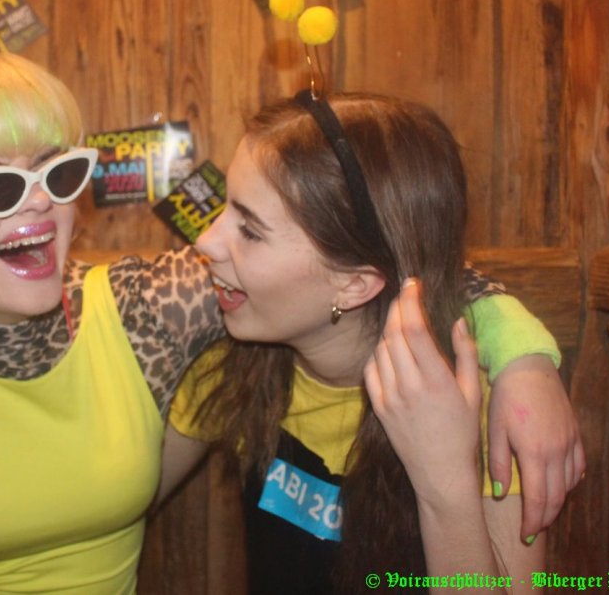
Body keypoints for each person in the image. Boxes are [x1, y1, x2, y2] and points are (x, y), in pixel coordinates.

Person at [0, 48, 580, 593]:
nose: (39, 200)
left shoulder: (148, 309)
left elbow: (410, 265)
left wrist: (520, 363)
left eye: (57, 171)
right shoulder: (231, 352)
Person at [157, 91, 583, 593]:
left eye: (250, 231)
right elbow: (123, 496)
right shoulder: (234, 363)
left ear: (354, 285)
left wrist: (446, 479)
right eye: (226, 208)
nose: (205, 241)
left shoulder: (479, 405)